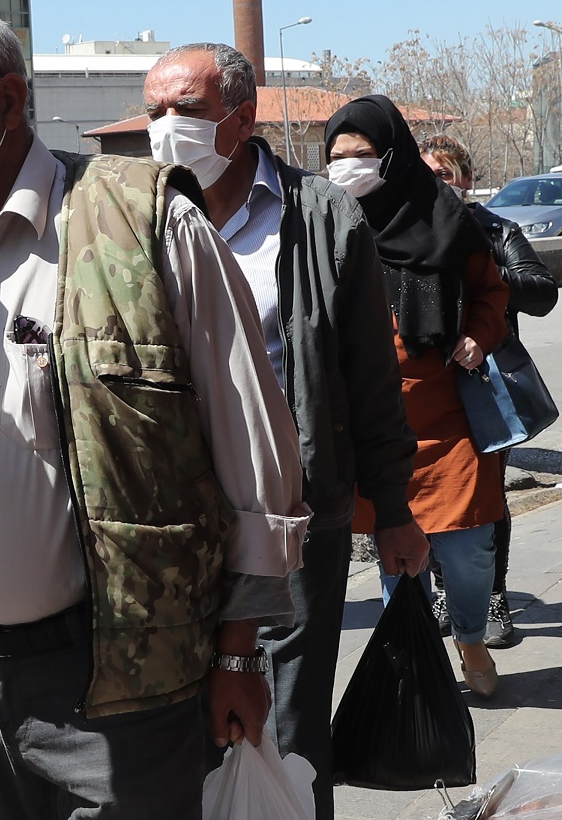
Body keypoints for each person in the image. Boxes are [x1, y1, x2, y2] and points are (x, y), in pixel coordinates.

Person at [0, 7, 310, 820]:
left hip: (118, 680)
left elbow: (254, 451)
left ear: (9, 99)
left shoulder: (143, 219)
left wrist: (239, 656)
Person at [141, 42, 425, 820]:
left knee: (288, 727)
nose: (167, 128)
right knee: (179, 725)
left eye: (187, 111)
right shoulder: (138, 219)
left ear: (242, 116)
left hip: (296, 513)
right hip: (169, 519)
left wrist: (393, 507)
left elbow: (371, 375)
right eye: (156, 111)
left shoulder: (323, 216)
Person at [325, 95, 510, 699]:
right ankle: (413, 661)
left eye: (361, 154)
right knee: (395, 551)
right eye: (336, 157)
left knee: (468, 552)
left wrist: (479, 337)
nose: (347, 167)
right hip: (376, 423)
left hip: (451, 418)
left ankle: (471, 635)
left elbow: (491, 294)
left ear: (394, 155)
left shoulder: (449, 216)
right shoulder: (327, 224)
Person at [420, 133, 557, 647]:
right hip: (425, 391)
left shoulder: (496, 230)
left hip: (485, 384)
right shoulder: (399, 235)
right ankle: (442, 592)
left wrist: (482, 274)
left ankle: (494, 597)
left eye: (445, 174)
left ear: (468, 181)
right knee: (431, 496)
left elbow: (542, 293)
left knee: (486, 498)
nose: (436, 184)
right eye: (426, 174)